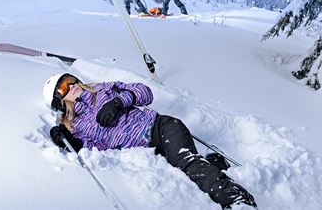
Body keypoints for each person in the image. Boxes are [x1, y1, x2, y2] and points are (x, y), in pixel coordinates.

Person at [43, 73, 257, 209]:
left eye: (70, 80)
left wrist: (118, 102)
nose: (71, 86)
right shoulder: (78, 126)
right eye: (63, 88)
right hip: (147, 152)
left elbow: (144, 92)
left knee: (186, 163)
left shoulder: (103, 89)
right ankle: (213, 163)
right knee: (182, 170)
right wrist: (68, 140)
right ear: (59, 101)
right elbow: (96, 148)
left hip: (160, 127)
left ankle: (238, 201)